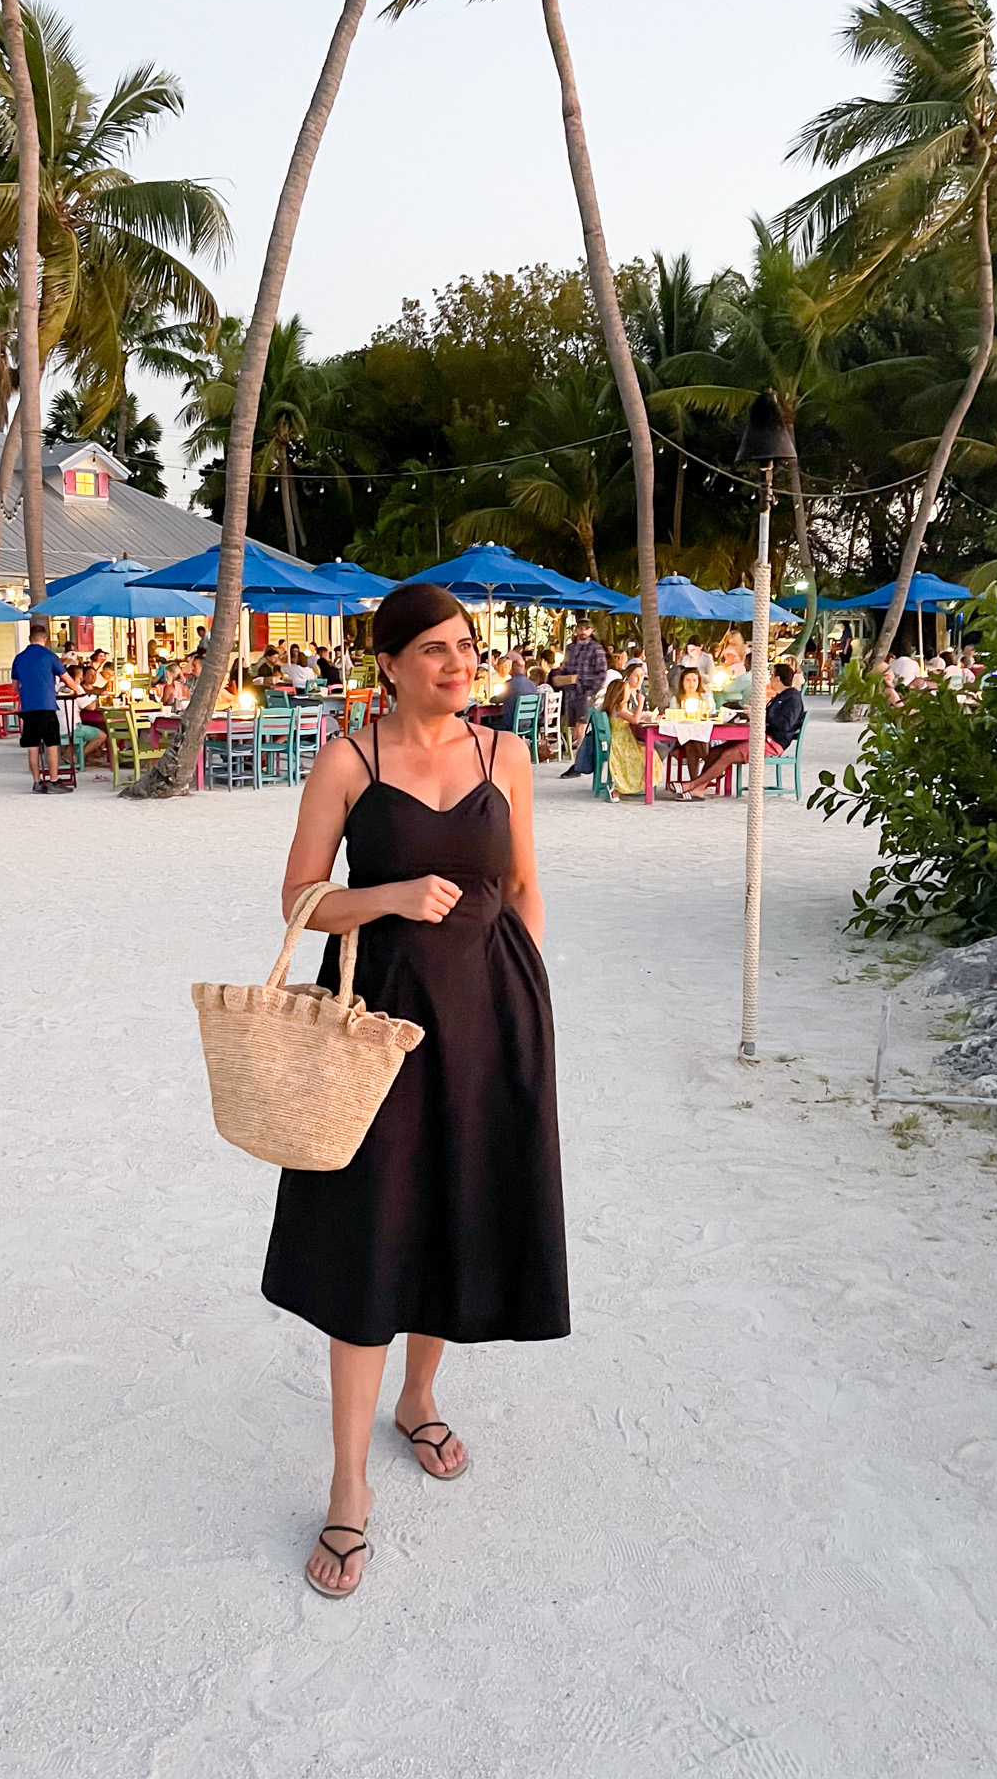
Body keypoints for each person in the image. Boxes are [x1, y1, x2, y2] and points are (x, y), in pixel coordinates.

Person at [268, 581, 565, 1599]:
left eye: (466, 646)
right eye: (433, 649)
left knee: (457, 1215)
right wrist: (388, 895)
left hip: (491, 1016)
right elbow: (300, 898)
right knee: (371, 1234)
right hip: (378, 1020)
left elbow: (521, 886)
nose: (457, 662)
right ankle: (348, 1484)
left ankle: (420, 1395)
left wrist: (521, 991)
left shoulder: (504, 754)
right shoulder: (349, 757)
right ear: (387, 662)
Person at [671, 661, 805, 799]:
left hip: (772, 742)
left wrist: (760, 715)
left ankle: (691, 785)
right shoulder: (779, 697)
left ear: (777, 679)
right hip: (761, 736)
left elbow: (784, 725)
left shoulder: (792, 698)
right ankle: (699, 788)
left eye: (772, 676)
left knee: (727, 755)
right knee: (716, 751)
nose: (770, 679)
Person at [10, 621, 80, 792]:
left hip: (28, 707)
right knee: (52, 743)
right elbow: (67, 679)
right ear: (45, 639)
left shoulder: (19, 658)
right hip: (46, 704)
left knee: (32, 745)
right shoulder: (49, 656)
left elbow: (14, 686)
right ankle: (53, 780)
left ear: (29, 638)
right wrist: (79, 690)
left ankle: (36, 782)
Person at [558, 619, 607, 762]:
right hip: (570, 693)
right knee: (573, 728)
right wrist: (563, 680)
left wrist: (591, 691)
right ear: (576, 630)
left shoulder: (596, 649)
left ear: (591, 631)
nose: (583, 631)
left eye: (587, 628)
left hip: (586, 693)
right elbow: (565, 669)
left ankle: (580, 760)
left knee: (581, 727)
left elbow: (601, 674)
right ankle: (579, 757)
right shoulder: (570, 649)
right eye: (580, 628)